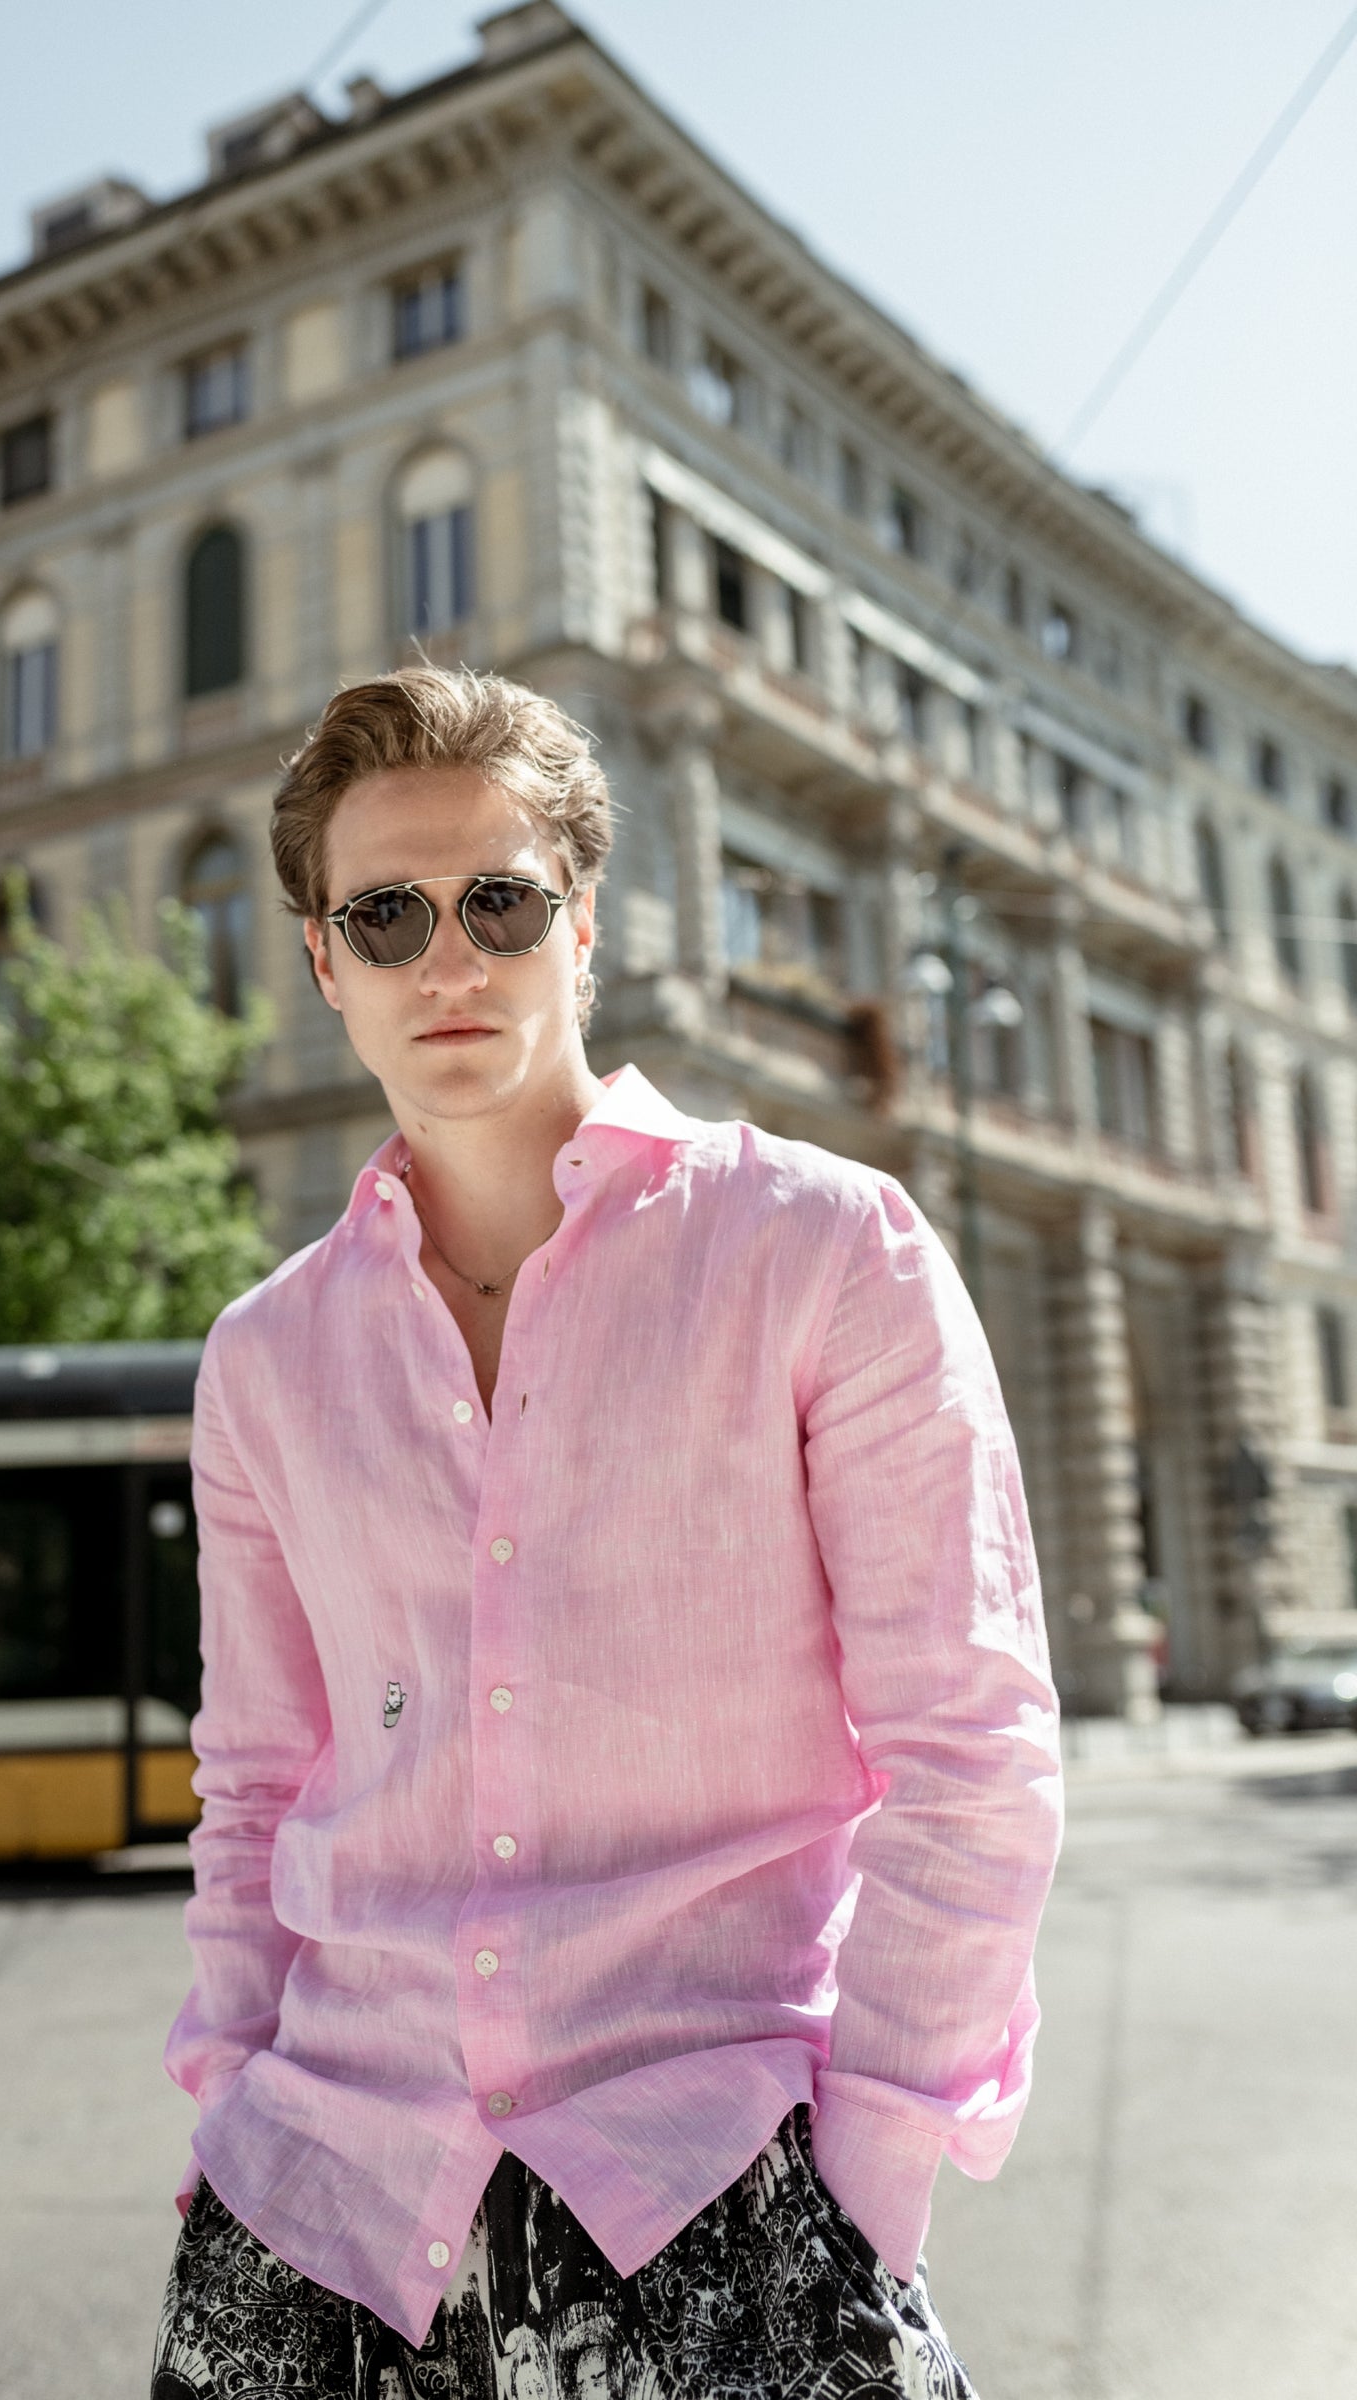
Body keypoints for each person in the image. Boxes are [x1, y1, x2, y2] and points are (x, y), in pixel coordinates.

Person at [152, 665, 1063, 2400]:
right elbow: (260, 1778)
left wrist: (864, 2183)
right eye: (388, 913)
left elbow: (974, 1742)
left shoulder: (826, 1249)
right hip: (316, 2206)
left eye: (499, 900)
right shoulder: (262, 1358)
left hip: (726, 2194)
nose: (448, 956)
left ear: (583, 930)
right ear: (324, 963)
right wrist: (228, 2111)